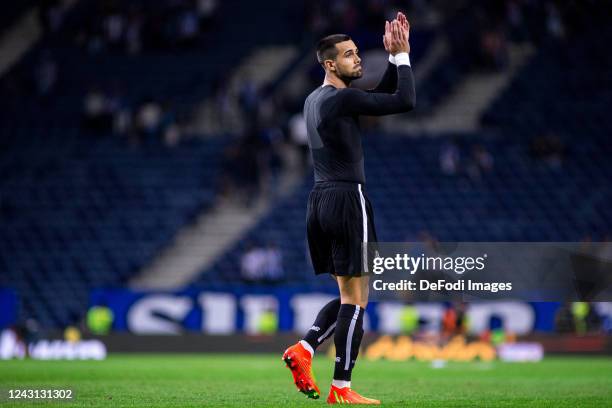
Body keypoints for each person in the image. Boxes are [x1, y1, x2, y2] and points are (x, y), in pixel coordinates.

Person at [282, 12, 415, 405]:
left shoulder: (316, 99)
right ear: (330, 64)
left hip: (320, 198)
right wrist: (405, 55)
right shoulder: (342, 98)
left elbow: (374, 98)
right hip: (347, 198)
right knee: (358, 301)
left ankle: (305, 349)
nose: (358, 59)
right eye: (350, 55)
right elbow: (403, 100)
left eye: (357, 52)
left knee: (346, 298)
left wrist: (391, 60)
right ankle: (341, 388)